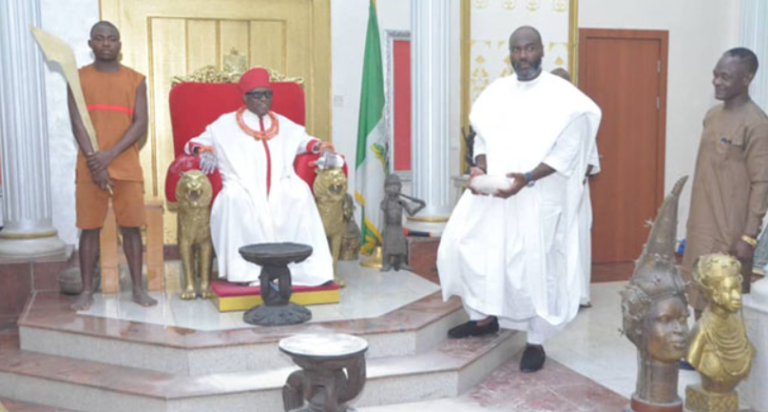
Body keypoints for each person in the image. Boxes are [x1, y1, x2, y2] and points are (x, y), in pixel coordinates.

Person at [437, 26, 601, 373]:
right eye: (516, 50)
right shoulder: (497, 92)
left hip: (537, 196)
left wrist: (526, 178)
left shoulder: (564, 97)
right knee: (469, 249)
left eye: (528, 49)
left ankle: (535, 341)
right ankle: (483, 319)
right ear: (509, 52)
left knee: (534, 268)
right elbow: (481, 139)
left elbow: (568, 151)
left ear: (542, 49)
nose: (522, 56)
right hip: (495, 194)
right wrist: (479, 169)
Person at [186, 68, 334, 286]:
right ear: (245, 97)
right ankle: (246, 271)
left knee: (299, 194)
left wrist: (324, 148)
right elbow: (193, 142)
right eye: (257, 95)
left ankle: (300, 269)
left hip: (281, 183)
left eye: (268, 94)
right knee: (233, 200)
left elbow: (307, 141)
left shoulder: (283, 123)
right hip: (241, 185)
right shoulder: (224, 124)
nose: (264, 99)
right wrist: (204, 151)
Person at [67, 21, 157, 311]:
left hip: (125, 163)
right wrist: (95, 160)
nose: (106, 43)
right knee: (89, 228)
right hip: (89, 165)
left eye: (112, 39)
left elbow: (140, 123)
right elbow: (77, 122)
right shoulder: (77, 78)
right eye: (100, 39)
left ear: (120, 44)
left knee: (131, 227)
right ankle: (86, 291)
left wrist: (110, 154)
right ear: (90, 44)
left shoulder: (136, 79)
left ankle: (138, 289)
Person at [681, 47, 768, 316]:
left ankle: (720, 357)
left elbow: (762, 182)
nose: (717, 82)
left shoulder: (756, 124)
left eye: (725, 77)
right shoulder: (712, 116)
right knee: (697, 290)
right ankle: (700, 356)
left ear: (747, 79)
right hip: (701, 224)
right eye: (715, 75)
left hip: (730, 230)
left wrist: (748, 237)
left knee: (721, 298)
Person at [550, 67, 601, 308]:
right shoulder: (544, 116)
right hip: (549, 191)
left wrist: (576, 174)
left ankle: (579, 296)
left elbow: (591, 162)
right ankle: (554, 294)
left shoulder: (583, 116)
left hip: (575, 193)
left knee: (576, 242)